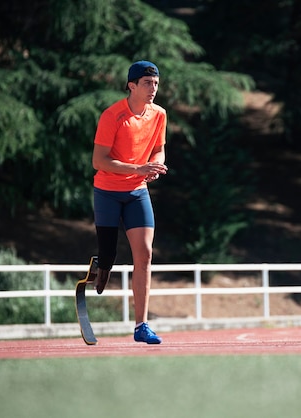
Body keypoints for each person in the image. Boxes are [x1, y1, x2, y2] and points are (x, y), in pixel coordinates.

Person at [90, 60, 168, 344]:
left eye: (156, 84)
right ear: (131, 85)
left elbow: (159, 150)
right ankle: (102, 265)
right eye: (147, 83)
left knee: (145, 253)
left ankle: (141, 325)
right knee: (109, 253)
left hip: (137, 192)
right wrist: (138, 168)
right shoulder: (113, 116)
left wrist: (156, 166)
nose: (153, 89)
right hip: (108, 190)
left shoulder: (159, 115)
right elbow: (99, 161)